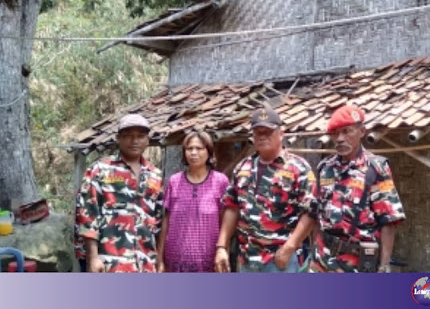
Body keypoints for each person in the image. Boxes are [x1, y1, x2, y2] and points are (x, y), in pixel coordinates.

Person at [215, 107, 316, 273]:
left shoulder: (298, 167)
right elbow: (231, 207)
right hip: (246, 258)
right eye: (257, 132)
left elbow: (310, 212)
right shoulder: (243, 167)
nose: (262, 136)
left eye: (268, 131)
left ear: (281, 134)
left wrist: (289, 247)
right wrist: (221, 247)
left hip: (281, 260)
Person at [309, 105, 406, 273]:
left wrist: (384, 266)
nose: (340, 138)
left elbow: (388, 221)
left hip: (356, 263)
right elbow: (316, 214)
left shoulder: (375, 168)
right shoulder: (325, 168)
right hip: (322, 259)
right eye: (335, 133)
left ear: (362, 131)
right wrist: (313, 252)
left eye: (347, 131)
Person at [75, 114, 163, 273]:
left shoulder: (155, 174)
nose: (135, 141)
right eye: (128, 136)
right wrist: (92, 258)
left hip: (145, 261)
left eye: (140, 136)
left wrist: (158, 260)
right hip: (109, 260)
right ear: (118, 139)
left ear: (148, 140)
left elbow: (158, 221)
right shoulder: (100, 169)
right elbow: (88, 215)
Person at [156, 131, 229, 272]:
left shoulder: (220, 181)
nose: (193, 153)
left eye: (199, 148)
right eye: (189, 149)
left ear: (209, 151)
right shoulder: (174, 181)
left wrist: (222, 251)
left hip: (209, 259)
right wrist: (159, 258)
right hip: (175, 258)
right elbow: (166, 221)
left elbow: (225, 223)